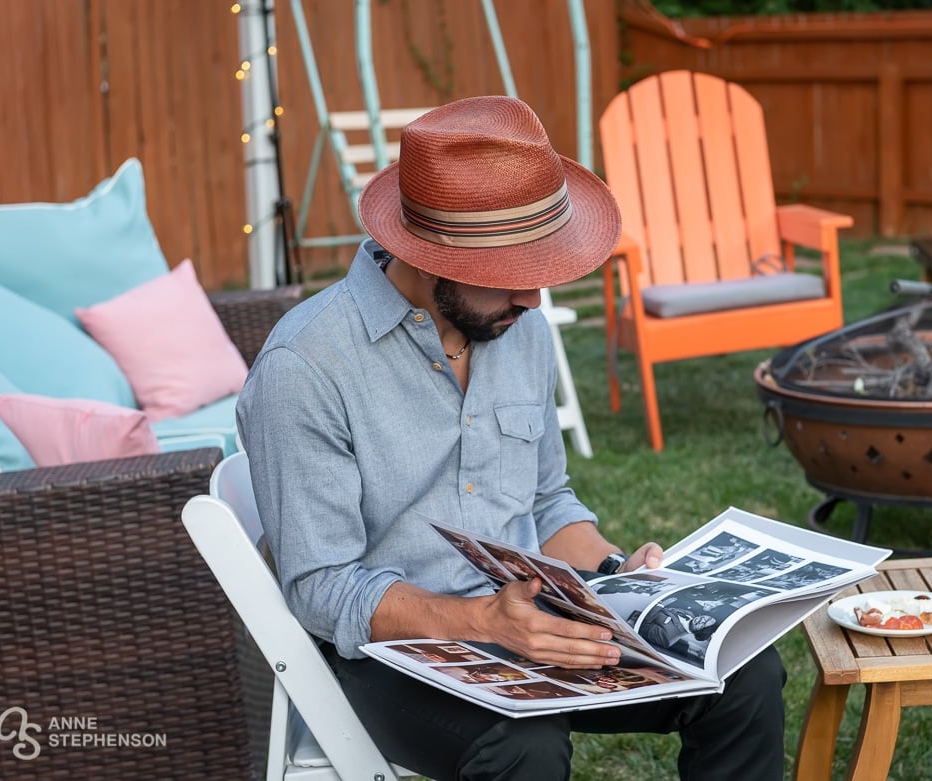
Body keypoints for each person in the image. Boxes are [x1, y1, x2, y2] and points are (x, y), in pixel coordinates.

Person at [237, 95, 786, 781]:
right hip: (389, 652)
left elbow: (549, 499)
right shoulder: (307, 366)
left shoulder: (519, 329)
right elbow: (324, 587)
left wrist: (621, 577)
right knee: (523, 745)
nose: (533, 299)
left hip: (527, 618)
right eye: (512, 276)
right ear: (429, 255)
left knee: (743, 672)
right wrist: (482, 622)